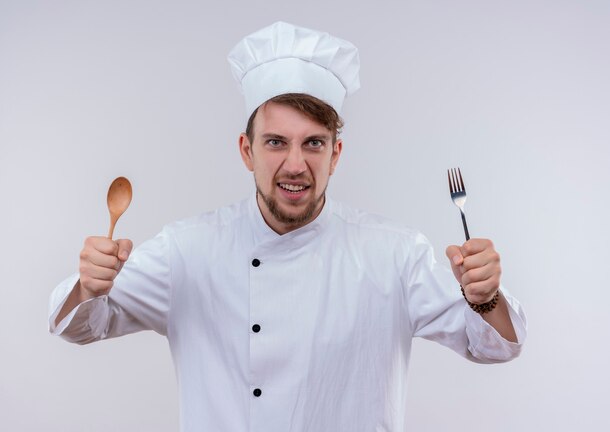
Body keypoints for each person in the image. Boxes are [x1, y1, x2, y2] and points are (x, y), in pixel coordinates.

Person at [49, 22, 526, 432]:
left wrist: (483, 295)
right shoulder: (187, 250)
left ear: (335, 155)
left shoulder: (394, 254)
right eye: (276, 141)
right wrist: (91, 285)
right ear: (246, 150)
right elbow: (79, 327)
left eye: (314, 143)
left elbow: (494, 345)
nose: (295, 164)